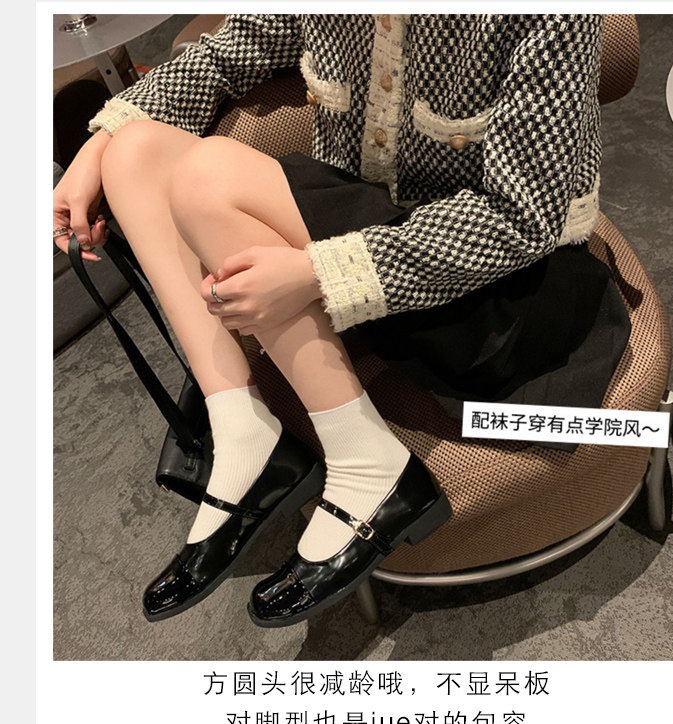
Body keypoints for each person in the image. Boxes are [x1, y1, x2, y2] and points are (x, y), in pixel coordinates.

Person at [52, 13, 630, 627]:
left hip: (499, 288)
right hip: (369, 222)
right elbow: (228, 51)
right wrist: (98, 148)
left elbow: (521, 222)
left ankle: (368, 463)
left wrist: (318, 273)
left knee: (204, 173)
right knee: (136, 150)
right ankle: (242, 427)